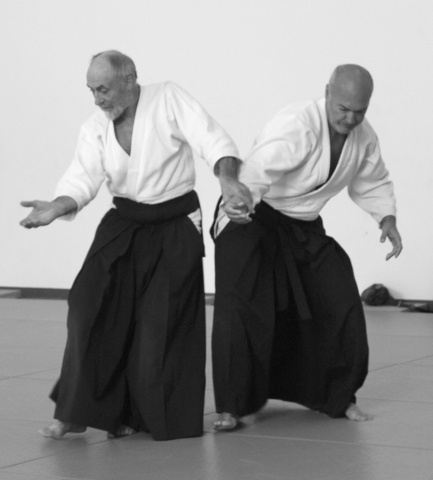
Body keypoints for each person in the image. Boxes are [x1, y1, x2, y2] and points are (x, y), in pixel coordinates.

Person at [20, 50, 252, 441]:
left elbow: (212, 140)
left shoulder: (167, 98)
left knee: (160, 327)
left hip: (175, 222)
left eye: (104, 89)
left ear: (129, 79)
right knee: (86, 306)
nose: (98, 99)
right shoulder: (96, 126)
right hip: (125, 222)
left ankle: (146, 416)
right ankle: (76, 412)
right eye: (92, 91)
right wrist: (57, 206)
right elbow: (82, 178)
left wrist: (228, 181)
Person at [211, 64, 402, 431]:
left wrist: (387, 218)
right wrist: (238, 202)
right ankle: (231, 407)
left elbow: (373, 179)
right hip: (252, 214)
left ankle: (339, 397)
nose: (350, 118)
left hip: (302, 225)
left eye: (359, 111)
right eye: (343, 108)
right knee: (240, 307)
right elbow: (257, 169)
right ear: (327, 92)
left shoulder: (364, 136)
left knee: (339, 300)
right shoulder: (297, 124)